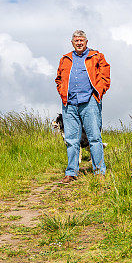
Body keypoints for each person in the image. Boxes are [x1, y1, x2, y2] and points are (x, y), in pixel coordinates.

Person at [54, 30, 110, 183]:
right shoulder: (65, 59)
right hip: (69, 103)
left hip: (89, 102)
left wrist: (97, 93)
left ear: (86, 42)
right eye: (76, 40)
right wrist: (62, 92)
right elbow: (58, 79)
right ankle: (71, 173)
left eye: (81, 40)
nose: (79, 43)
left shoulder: (97, 56)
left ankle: (99, 172)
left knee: (94, 137)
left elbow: (105, 77)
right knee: (71, 139)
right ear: (72, 42)